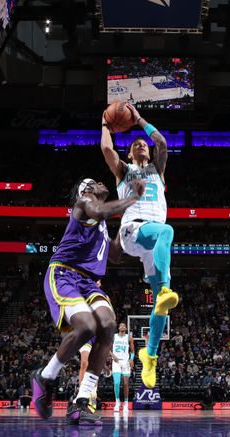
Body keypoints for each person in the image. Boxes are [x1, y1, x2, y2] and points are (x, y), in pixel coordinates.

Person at [32, 178, 144, 425]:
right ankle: (45, 376)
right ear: (86, 190)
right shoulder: (84, 203)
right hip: (64, 273)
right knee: (86, 326)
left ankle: (82, 400)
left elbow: (115, 255)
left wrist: (129, 231)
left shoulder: (102, 223)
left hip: (90, 283)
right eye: (94, 181)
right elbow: (101, 210)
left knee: (108, 325)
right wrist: (132, 199)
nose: (101, 182)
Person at [100, 103, 179, 388]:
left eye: (143, 144)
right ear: (130, 154)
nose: (142, 146)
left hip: (151, 242)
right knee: (167, 232)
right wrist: (105, 125)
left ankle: (150, 355)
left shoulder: (158, 169)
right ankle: (165, 289)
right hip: (133, 231)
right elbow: (108, 151)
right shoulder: (124, 171)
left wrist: (139, 120)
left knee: (162, 307)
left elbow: (161, 142)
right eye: (136, 144)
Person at [111, 320, 135, 413]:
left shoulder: (129, 337)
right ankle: (117, 402)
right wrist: (113, 356)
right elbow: (108, 349)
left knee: (125, 384)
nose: (122, 327)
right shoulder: (114, 337)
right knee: (116, 383)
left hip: (125, 362)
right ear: (118, 328)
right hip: (116, 362)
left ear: (125, 328)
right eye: (120, 325)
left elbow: (132, 351)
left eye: (124, 326)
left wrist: (131, 359)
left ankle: (126, 403)